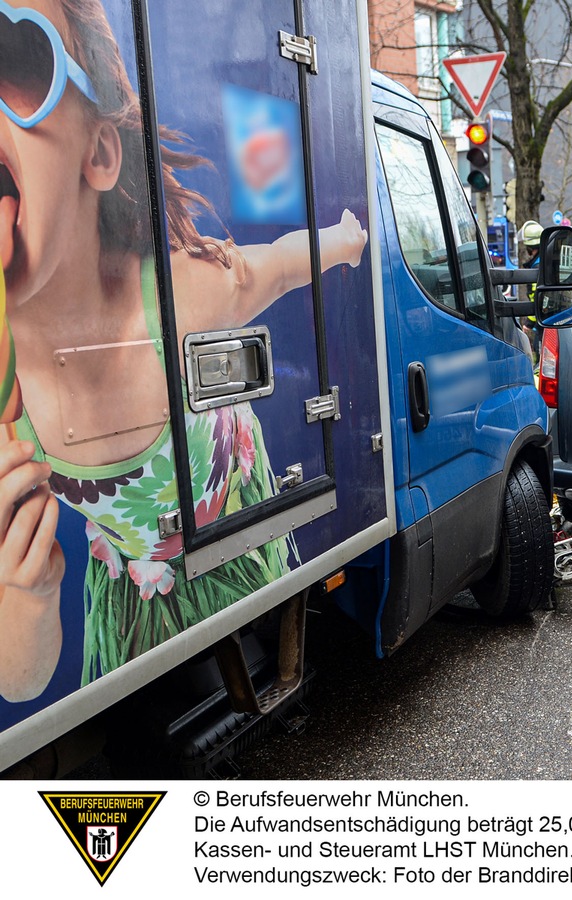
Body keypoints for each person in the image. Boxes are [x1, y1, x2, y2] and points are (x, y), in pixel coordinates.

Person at [0, 0, 367, 701]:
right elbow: (18, 683)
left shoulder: (178, 299)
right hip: (133, 592)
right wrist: (26, 590)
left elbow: (278, 265)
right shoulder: (4, 405)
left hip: (231, 528)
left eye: (14, 55)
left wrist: (345, 241)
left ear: (100, 153)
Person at [518, 219, 543, 359]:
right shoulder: (544, 263)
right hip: (549, 320)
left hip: (541, 322)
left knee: (541, 359)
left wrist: (529, 323)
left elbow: (536, 297)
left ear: (532, 248)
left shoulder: (537, 268)